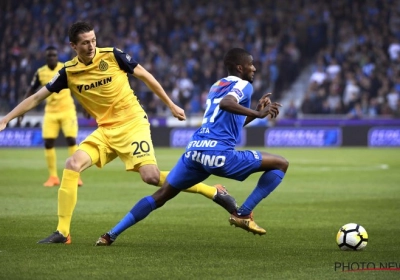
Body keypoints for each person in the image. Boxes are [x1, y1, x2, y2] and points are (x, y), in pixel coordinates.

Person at [0, 21, 237, 244]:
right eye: (85, 42)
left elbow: (145, 76)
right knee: (72, 164)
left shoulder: (113, 55)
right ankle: (63, 232)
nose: (91, 45)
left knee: (151, 178)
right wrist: (7, 118)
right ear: (73, 46)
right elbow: (37, 97)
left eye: (93, 40)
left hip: (133, 123)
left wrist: (171, 105)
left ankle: (212, 190)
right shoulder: (68, 72)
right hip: (106, 130)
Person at [95, 48, 289, 246]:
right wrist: (259, 115)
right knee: (281, 163)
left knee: (160, 196)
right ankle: (243, 213)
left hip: (195, 151)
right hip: (218, 154)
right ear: (240, 67)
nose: (254, 68)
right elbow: (226, 104)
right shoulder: (243, 85)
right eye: (251, 64)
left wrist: (254, 111)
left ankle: (110, 234)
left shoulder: (217, 85)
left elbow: (229, 124)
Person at [17, 46, 83, 187]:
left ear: (57, 56)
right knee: (48, 142)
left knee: (71, 140)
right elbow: (31, 91)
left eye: (54, 55)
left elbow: (79, 87)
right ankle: (53, 177)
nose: (52, 58)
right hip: (51, 112)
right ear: (46, 57)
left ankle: (76, 176)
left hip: (67, 110)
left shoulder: (65, 68)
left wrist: (86, 106)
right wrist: (22, 110)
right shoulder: (40, 72)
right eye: (49, 56)